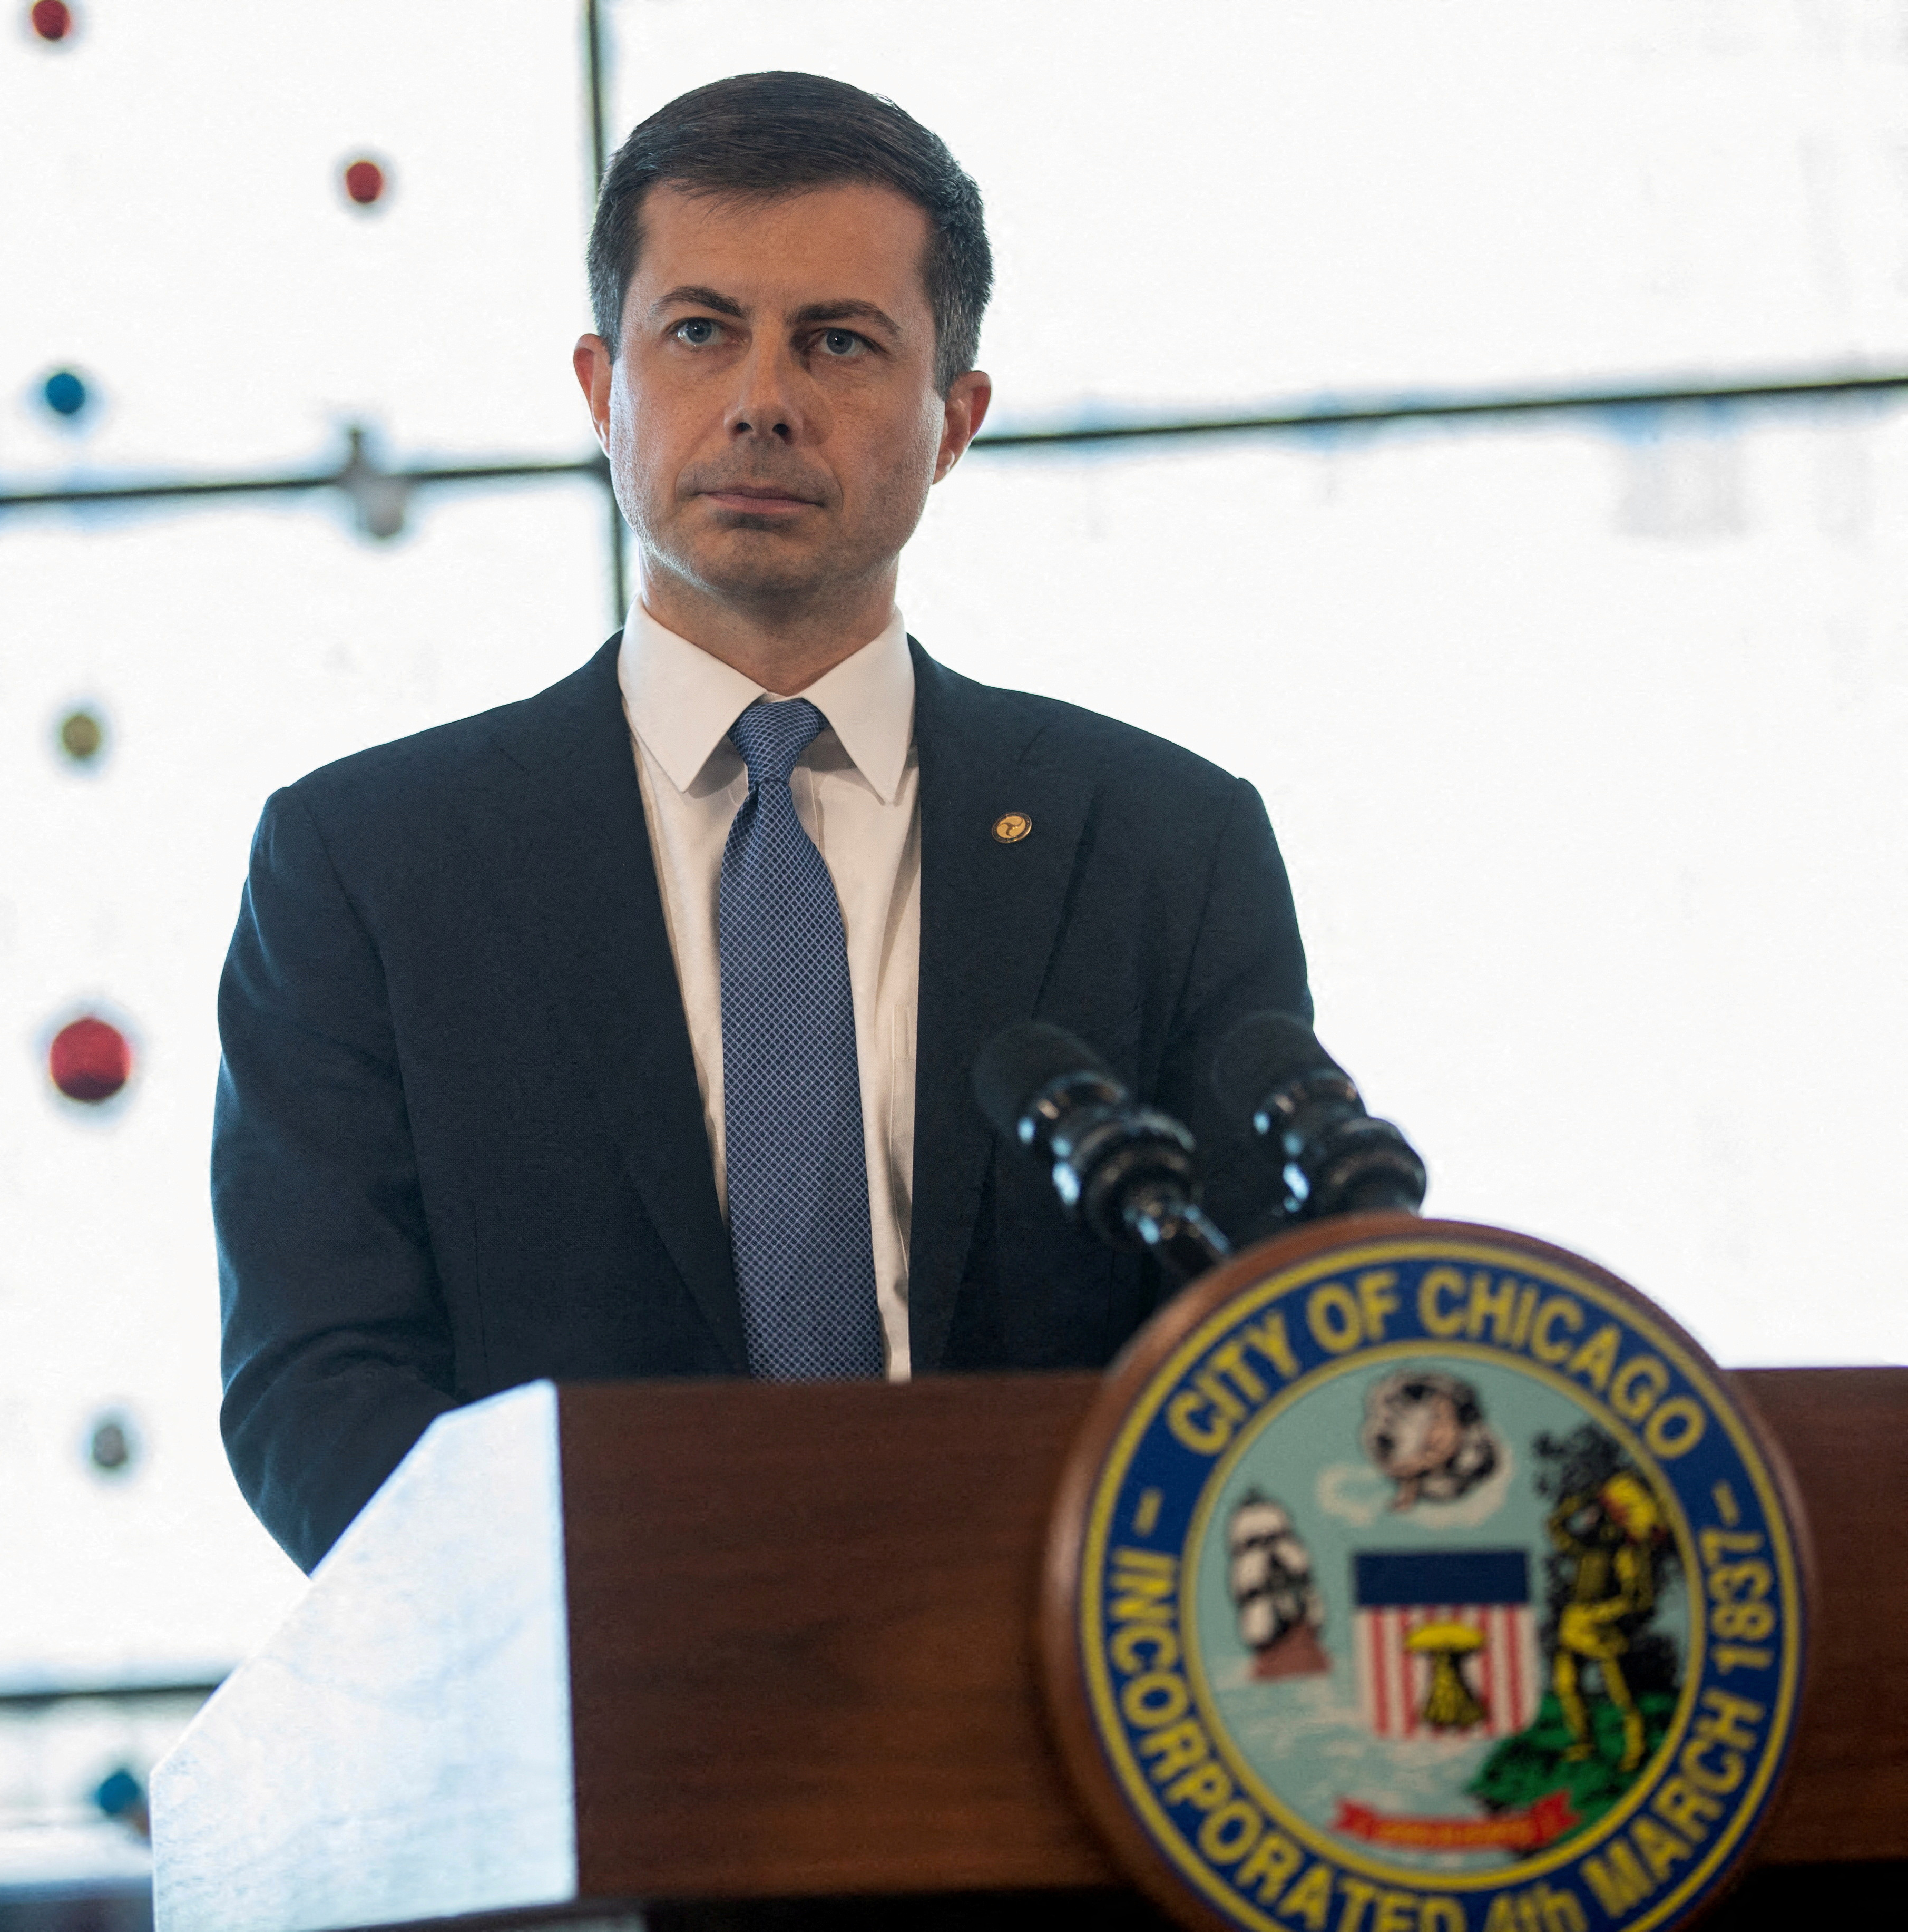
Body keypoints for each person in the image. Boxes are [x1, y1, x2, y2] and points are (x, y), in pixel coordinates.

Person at [213, 71, 1310, 1572]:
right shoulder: (368, 864)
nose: (761, 399)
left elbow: (1262, 1339)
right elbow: (314, 1382)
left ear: (954, 419)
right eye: (699, 330)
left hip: (1059, 1709)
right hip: (595, 1726)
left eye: (839, 342)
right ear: (603, 391)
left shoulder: (1162, 843)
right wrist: (619, 1632)